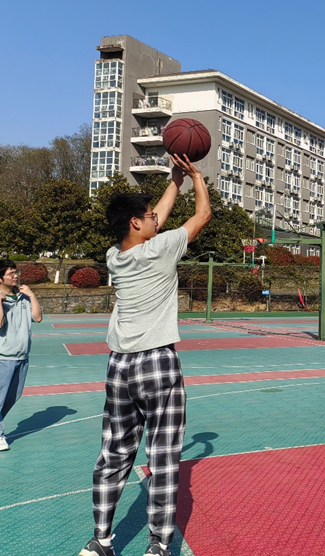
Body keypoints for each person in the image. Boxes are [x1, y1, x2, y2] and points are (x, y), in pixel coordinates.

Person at [79, 154, 211, 556]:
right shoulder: (163, 249)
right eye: (150, 216)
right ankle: (158, 546)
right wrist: (196, 177)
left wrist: (174, 182)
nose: (157, 219)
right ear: (136, 222)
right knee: (164, 459)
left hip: (119, 366)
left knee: (113, 453)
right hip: (157, 362)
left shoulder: (114, 257)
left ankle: (101, 540)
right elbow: (202, 216)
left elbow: (156, 220)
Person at [0, 259, 42, 451]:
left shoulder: (23, 297)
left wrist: (31, 295)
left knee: (12, 397)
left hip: (22, 357)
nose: (15, 276)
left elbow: (38, 317)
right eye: (11, 273)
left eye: (15, 272)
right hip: (3, 357)